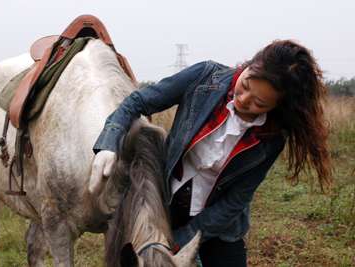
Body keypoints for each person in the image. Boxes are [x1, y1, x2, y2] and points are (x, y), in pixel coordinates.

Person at [90, 39, 332, 266]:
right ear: (248, 66)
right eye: (245, 84)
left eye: (258, 103)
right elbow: (138, 101)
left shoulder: (271, 139)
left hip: (218, 224)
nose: (243, 99)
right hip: (166, 205)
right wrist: (109, 142)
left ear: (277, 106)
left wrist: (181, 239)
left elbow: (235, 201)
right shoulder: (204, 77)